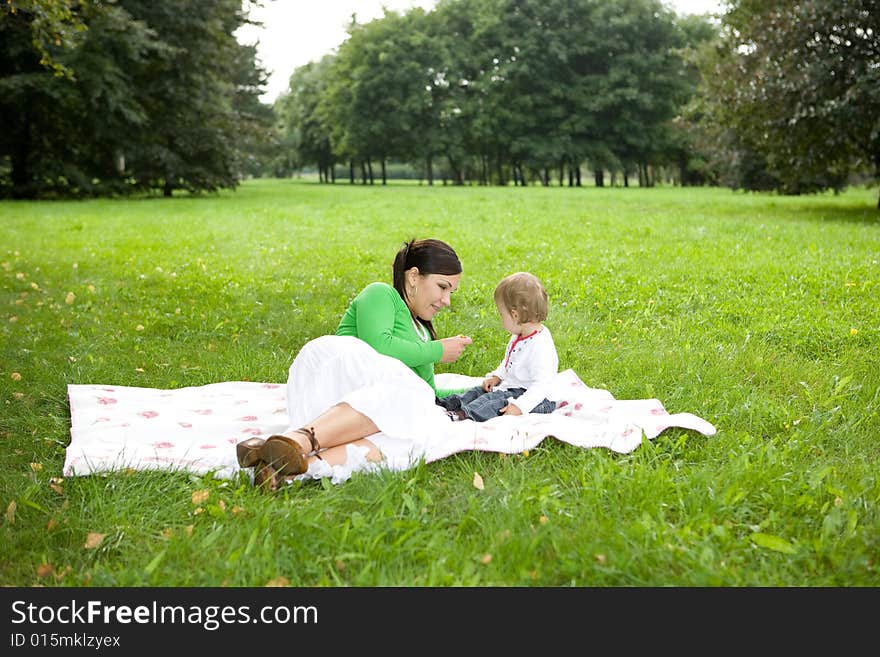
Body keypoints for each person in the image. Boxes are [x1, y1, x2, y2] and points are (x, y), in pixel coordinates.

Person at [235, 238, 474, 490]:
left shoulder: (421, 333)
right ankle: (295, 440)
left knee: (417, 433)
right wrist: (437, 351)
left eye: (451, 292)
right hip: (334, 372)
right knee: (405, 400)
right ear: (414, 276)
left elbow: (428, 394)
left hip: (362, 409)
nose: (447, 300)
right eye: (442, 287)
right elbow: (379, 347)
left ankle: (282, 468)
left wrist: (479, 390)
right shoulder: (382, 294)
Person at [436, 272, 558, 422]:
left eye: (502, 314)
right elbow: (508, 362)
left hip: (535, 399)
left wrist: (520, 406)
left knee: (492, 402)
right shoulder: (519, 335)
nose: (501, 319)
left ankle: (462, 415)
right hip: (511, 388)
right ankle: (446, 403)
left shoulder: (540, 346)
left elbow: (542, 385)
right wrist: (497, 376)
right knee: (478, 392)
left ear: (515, 315)